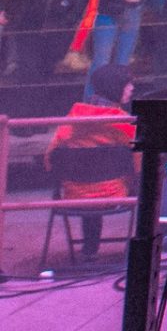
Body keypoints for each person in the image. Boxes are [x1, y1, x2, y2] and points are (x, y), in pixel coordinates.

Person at [46, 63, 136, 258]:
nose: (132, 88)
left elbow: (51, 157)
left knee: (90, 183)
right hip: (115, 195)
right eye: (128, 84)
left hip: (74, 196)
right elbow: (139, 159)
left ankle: (90, 248)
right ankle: (144, 244)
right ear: (115, 87)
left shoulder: (74, 116)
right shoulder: (122, 121)